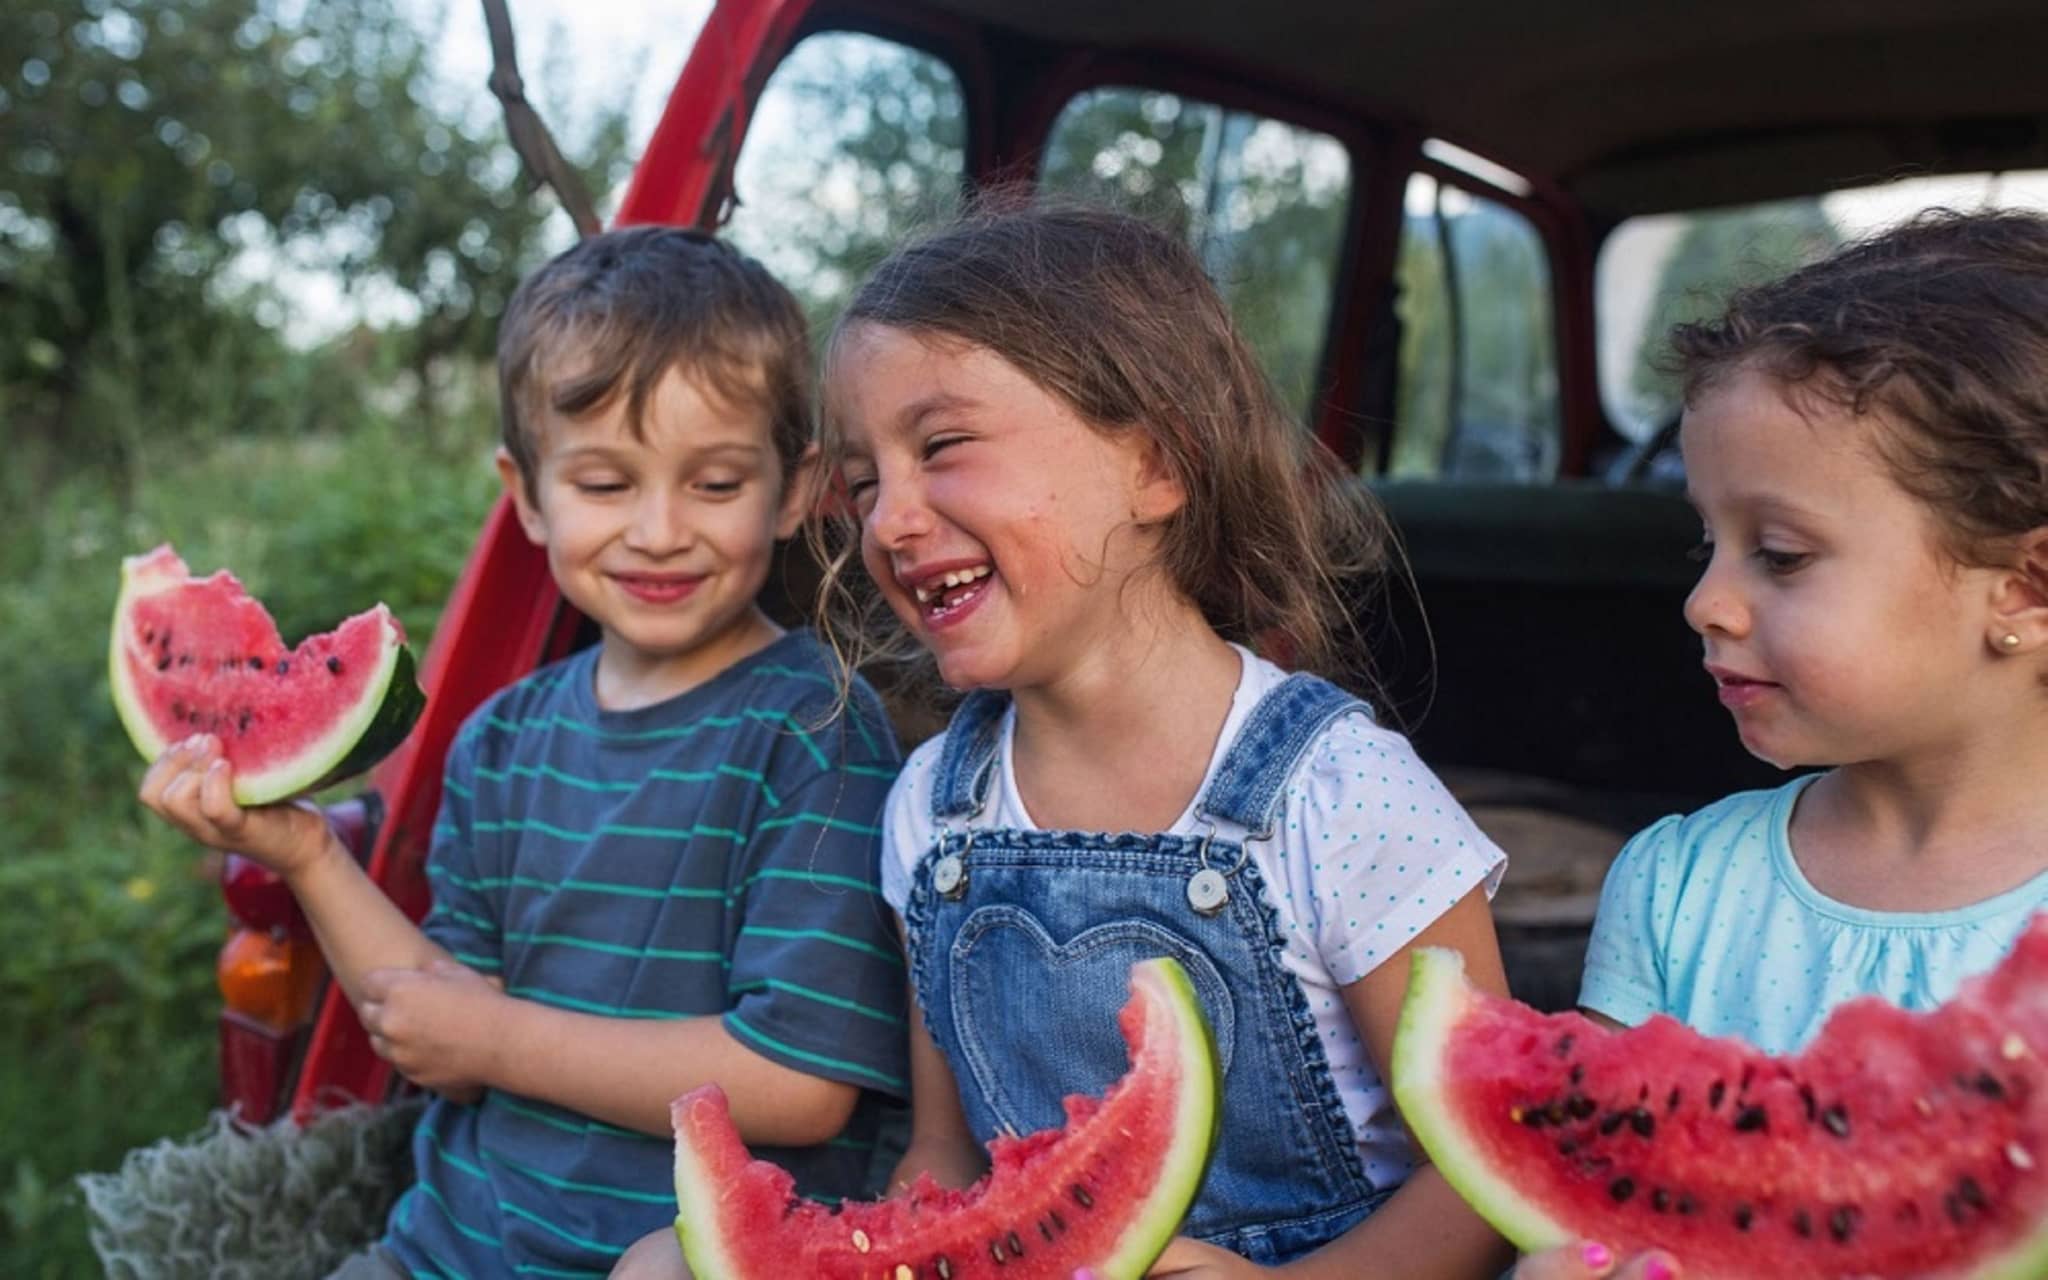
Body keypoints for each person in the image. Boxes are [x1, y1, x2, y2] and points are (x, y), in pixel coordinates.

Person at [655, 197, 1512, 1280]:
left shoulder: (1340, 793)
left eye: (943, 446)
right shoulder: (934, 803)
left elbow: (1489, 1165)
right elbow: (945, 1151)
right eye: (864, 482)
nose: (885, 520)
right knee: (661, 1262)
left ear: (1155, 463)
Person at [139, 226, 909, 1278]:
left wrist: (497, 1039)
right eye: (603, 483)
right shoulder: (499, 740)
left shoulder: (817, 729)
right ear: (526, 494)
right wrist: (305, 852)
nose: (657, 529)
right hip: (448, 1249)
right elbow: (436, 1032)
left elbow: (799, 1083)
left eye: (715, 484)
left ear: (792, 488)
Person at [1517, 208, 2048, 1280]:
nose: (1704, 602)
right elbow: (1596, 1187)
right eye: (1703, 540)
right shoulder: (1675, 883)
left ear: (2024, 588)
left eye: (1781, 554)